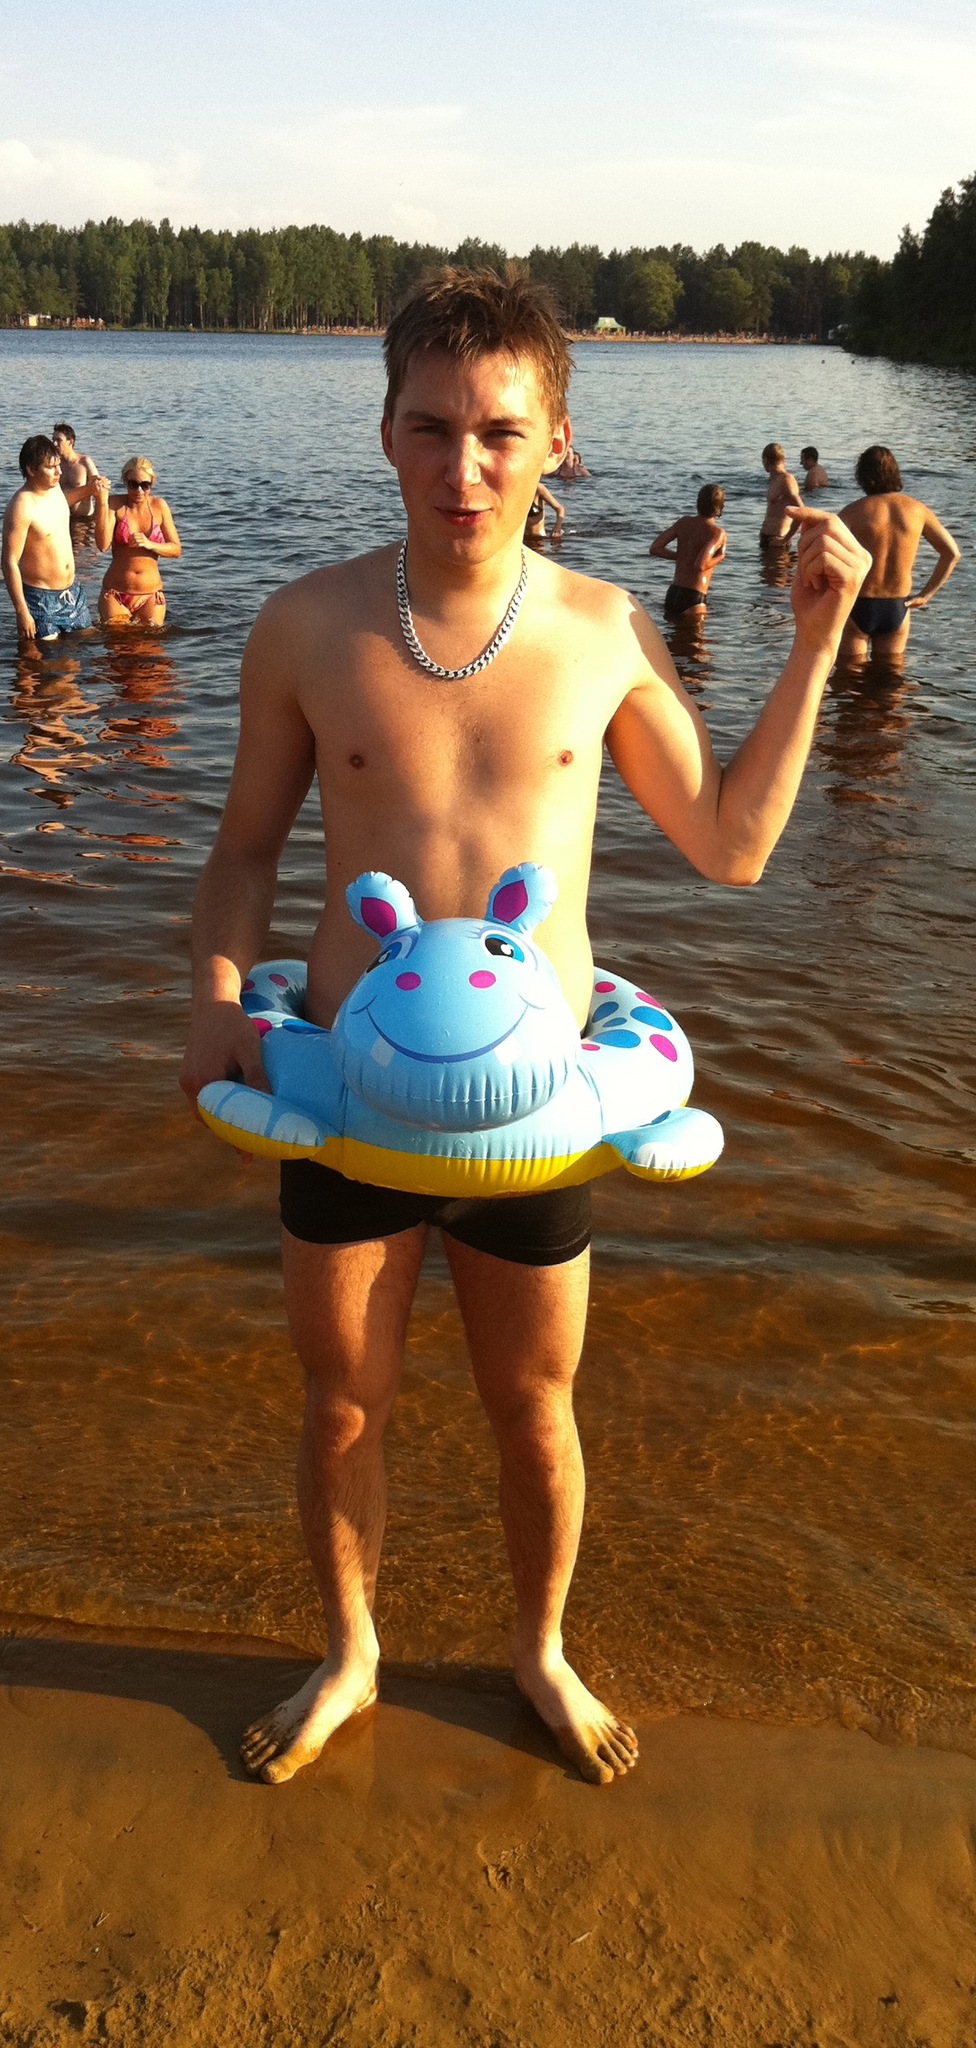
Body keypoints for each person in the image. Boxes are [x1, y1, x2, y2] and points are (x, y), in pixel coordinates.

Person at [179, 268, 870, 1792]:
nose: (463, 468)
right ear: (385, 431)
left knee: (535, 1409)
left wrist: (816, 646)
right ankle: (352, 1652)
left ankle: (539, 1649)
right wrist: (219, 1001)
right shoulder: (305, 627)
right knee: (341, 1403)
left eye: (499, 432)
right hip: (344, 1098)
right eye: (431, 429)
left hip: (539, 1111)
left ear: (557, 438)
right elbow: (242, 853)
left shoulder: (605, 631)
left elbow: (732, 846)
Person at [837, 445, 960, 663]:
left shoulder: (851, 513)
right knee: (892, 679)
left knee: (849, 676)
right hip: (897, 607)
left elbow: (826, 556)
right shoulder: (917, 510)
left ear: (862, 476)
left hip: (857, 604)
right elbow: (952, 553)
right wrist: (926, 595)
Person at [2, 435, 96, 646]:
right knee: (49, 659)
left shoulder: (55, 490)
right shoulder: (21, 506)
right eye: (51, 467)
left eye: (58, 465)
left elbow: (63, 503)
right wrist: (22, 611)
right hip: (40, 600)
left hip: (72, 592)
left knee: (88, 650)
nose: (59, 472)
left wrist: (90, 490)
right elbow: (9, 562)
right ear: (31, 469)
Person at [93, 457, 182, 626]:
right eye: (133, 484)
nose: (139, 490)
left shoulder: (159, 506)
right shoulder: (114, 504)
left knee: (151, 641)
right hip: (115, 593)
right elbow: (102, 545)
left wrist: (150, 544)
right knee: (115, 640)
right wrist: (102, 502)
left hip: (150, 594)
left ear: (151, 483)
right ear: (125, 482)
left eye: (145, 485)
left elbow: (176, 549)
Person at [649, 485, 727, 621]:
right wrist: (720, 556)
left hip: (673, 592)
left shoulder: (683, 523)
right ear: (720, 506)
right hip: (694, 596)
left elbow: (655, 548)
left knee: (669, 633)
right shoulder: (717, 532)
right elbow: (700, 565)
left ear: (698, 503)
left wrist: (679, 557)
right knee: (694, 634)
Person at [52, 423, 102, 518]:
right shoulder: (55, 465)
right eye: (53, 440)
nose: (54, 444)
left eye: (58, 440)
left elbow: (100, 489)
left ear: (70, 442)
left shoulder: (84, 462)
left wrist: (99, 517)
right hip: (62, 518)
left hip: (84, 519)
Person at [760, 442, 802, 550]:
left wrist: (785, 539)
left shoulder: (786, 480)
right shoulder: (774, 479)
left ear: (765, 460)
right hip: (767, 537)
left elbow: (801, 511)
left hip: (778, 539)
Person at [524, 478, 565, 544]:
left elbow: (560, 509)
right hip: (521, 539)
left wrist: (557, 527)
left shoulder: (538, 488)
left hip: (539, 539)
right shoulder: (513, 490)